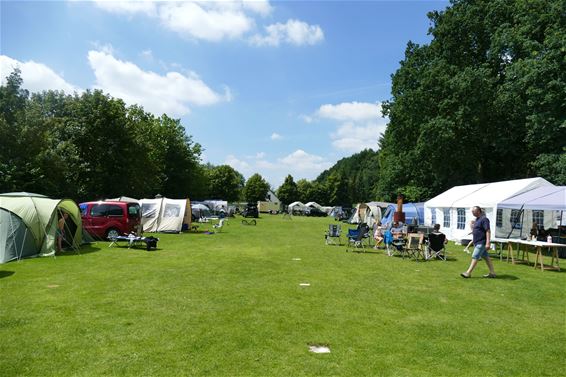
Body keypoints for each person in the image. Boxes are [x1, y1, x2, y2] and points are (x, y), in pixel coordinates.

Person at [461, 206, 496, 278]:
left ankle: (468, 273)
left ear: (479, 211)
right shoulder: (477, 219)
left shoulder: (484, 219)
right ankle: (492, 273)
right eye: (472, 211)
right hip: (477, 242)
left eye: (474, 211)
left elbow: (488, 231)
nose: (472, 213)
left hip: (482, 242)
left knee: (475, 256)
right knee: (486, 258)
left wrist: (488, 243)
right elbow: (478, 229)